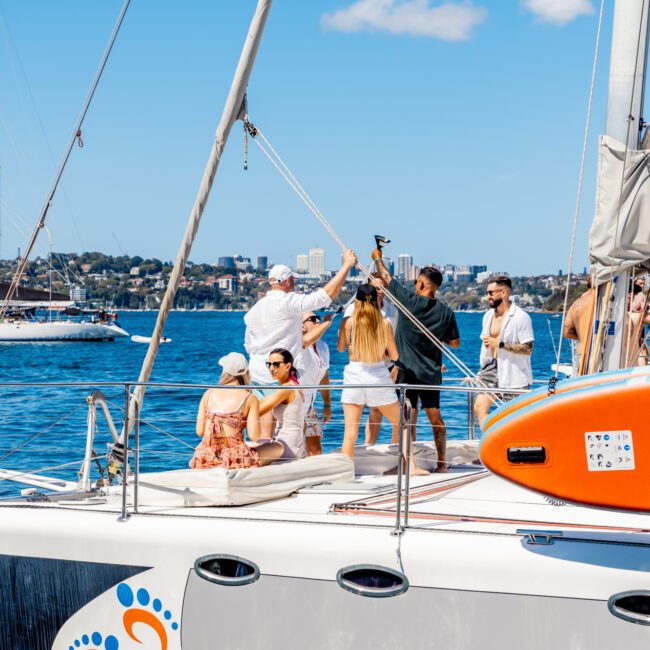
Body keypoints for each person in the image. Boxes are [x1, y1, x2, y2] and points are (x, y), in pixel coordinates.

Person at [244, 250, 358, 435]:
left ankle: (263, 458)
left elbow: (249, 345)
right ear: (286, 281)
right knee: (291, 427)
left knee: (265, 430)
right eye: (292, 279)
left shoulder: (254, 310)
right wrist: (346, 265)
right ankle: (285, 459)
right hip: (281, 374)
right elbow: (325, 296)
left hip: (258, 372)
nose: (294, 283)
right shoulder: (288, 301)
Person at [372, 248, 460, 473]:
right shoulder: (446, 312)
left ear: (421, 284)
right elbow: (455, 343)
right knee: (435, 417)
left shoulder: (410, 301)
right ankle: (442, 463)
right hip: (431, 374)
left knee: (407, 419)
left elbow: (388, 277)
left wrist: (377, 258)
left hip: (406, 372)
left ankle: (405, 464)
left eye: (416, 281)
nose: (413, 285)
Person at [337, 283, 410, 462]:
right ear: (375, 300)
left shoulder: (348, 322)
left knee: (350, 432)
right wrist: (382, 350)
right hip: (377, 374)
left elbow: (340, 348)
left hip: (354, 375)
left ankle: (346, 472)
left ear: (357, 301)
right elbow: (394, 355)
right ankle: (410, 466)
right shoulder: (384, 324)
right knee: (401, 424)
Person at [190, 353, 284, 469]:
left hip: (207, 457)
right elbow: (255, 436)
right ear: (246, 373)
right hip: (235, 459)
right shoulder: (249, 398)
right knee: (278, 447)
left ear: (225, 372)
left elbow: (200, 431)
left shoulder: (208, 393)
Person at [344, 272, 398, 444]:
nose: (380, 291)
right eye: (376, 288)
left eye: (383, 287)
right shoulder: (352, 312)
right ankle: (370, 446)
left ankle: (372, 448)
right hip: (369, 366)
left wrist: (395, 365)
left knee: (376, 411)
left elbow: (395, 339)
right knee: (395, 419)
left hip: (385, 366)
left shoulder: (392, 311)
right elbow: (348, 342)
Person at [474, 275, 534, 430]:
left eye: (491, 293)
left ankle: (508, 447)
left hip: (513, 371)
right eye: (487, 293)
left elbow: (528, 349)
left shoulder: (521, 317)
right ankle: (489, 444)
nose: (488, 297)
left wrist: (500, 344)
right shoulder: (487, 316)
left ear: (504, 293)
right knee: (479, 407)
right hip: (490, 367)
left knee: (513, 417)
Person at [259, 348, 307, 459]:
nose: (271, 369)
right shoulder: (295, 385)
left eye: (276, 364)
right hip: (294, 444)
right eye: (269, 364)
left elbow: (259, 410)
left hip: (286, 445)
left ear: (288, 366)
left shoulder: (287, 389)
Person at [301, 312, 333, 455]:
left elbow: (324, 377)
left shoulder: (323, 347)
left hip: (310, 408)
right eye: (312, 319)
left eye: (318, 317)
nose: (318, 320)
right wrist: (327, 323)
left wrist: (327, 404)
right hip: (294, 407)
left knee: (316, 450)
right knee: (295, 451)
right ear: (302, 326)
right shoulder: (297, 345)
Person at [563, 276, 594, 375]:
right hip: (603, 355)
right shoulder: (609, 301)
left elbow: (567, 332)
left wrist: (581, 337)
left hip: (581, 351)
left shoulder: (578, 303)